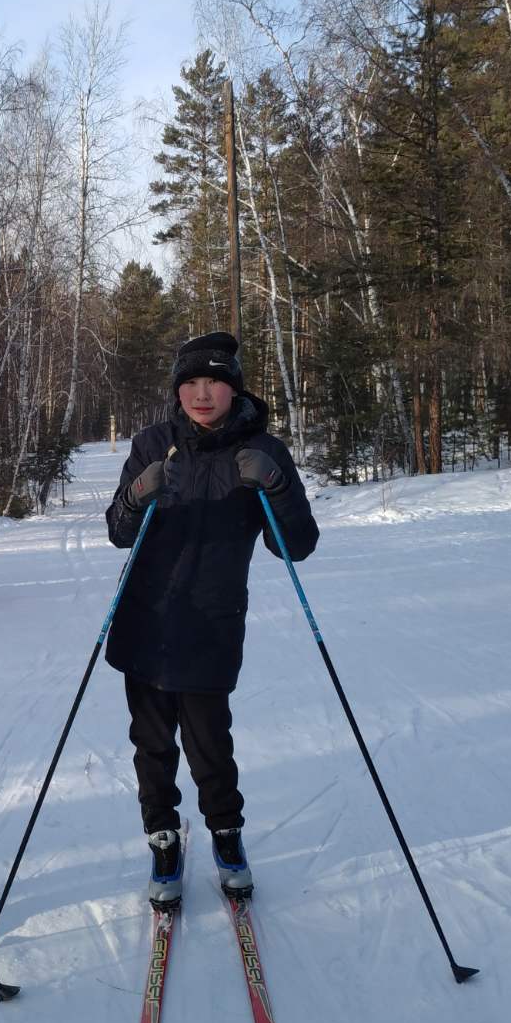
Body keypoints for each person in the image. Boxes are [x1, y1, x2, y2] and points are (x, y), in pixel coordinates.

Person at [105, 331, 319, 905]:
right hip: (145, 622)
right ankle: (163, 839)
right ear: (177, 391)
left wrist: (275, 489)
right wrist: (135, 495)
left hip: (211, 625)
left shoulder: (264, 451)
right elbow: (118, 532)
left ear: (233, 388)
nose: (202, 393)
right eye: (191, 383)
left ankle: (227, 837)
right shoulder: (154, 443)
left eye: (214, 381)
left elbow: (295, 547)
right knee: (151, 746)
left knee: (209, 746)